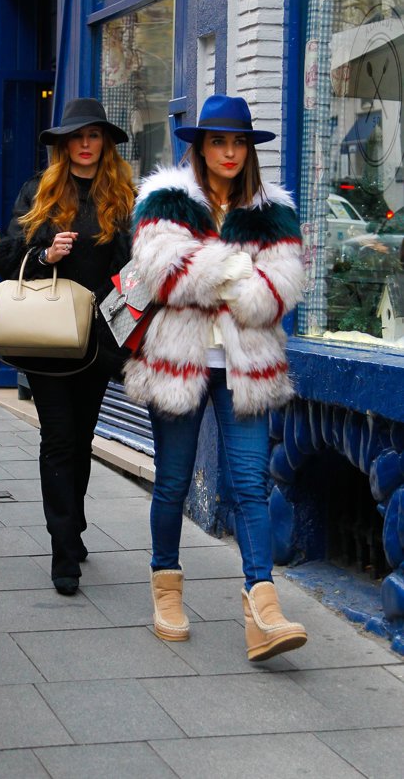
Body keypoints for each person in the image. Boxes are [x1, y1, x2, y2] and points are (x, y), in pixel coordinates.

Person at [124, 94, 308, 661]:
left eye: (238, 142)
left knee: (251, 485)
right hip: (178, 363)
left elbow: (277, 292)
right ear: (199, 146)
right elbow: (162, 274)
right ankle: (166, 588)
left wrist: (206, 269)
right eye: (218, 141)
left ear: (249, 149)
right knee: (174, 481)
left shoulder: (273, 209)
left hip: (247, 368)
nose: (229, 152)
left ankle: (262, 607)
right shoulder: (165, 198)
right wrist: (237, 268)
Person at [0, 98, 133, 596]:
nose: (86, 145)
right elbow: (4, 259)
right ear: (64, 145)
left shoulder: (123, 195)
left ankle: (71, 526)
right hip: (49, 338)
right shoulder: (39, 190)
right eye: (77, 137)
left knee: (81, 439)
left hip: (97, 340)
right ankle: (62, 552)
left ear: (105, 144)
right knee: (57, 439)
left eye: (94, 137)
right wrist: (43, 253)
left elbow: (133, 268)